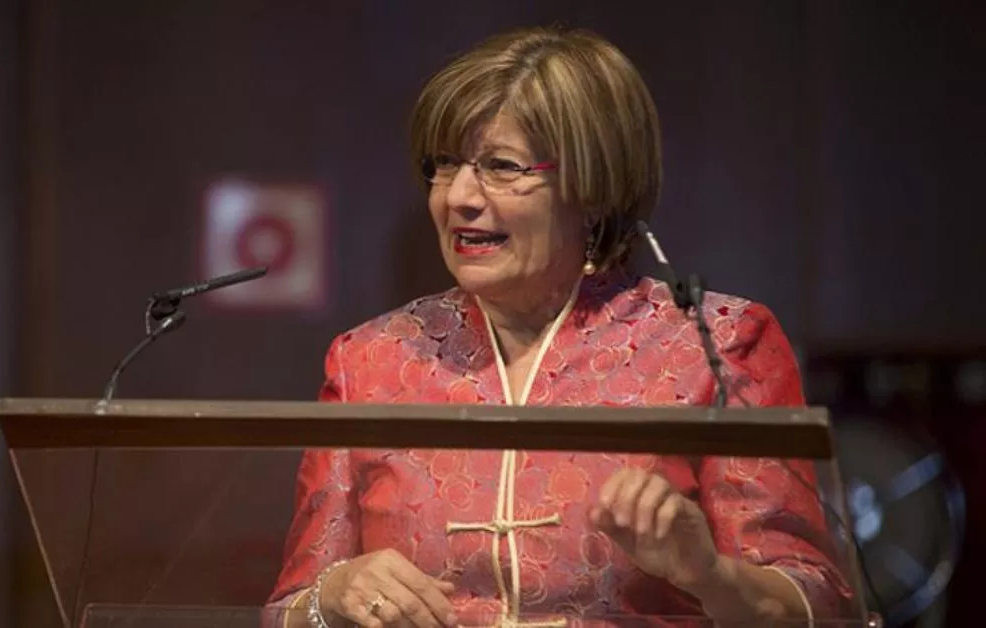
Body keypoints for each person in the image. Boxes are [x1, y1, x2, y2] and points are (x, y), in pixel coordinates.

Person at [266, 26, 854, 628]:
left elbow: (819, 604)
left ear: (592, 188)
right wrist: (332, 596)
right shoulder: (369, 360)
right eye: (445, 165)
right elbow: (289, 608)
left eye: (501, 166)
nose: (460, 196)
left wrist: (705, 573)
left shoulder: (716, 345)